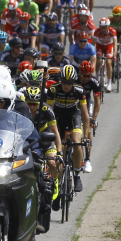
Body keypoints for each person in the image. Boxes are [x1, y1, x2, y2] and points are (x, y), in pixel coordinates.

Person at [46, 65, 89, 193]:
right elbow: (49, 112)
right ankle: (58, 185)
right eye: (64, 82)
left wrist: (86, 136)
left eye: (69, 83)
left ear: (73, 83)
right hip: (57, 118)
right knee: (57, 150)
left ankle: (76, 175)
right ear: (60, 80)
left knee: (76, 142)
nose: (66, 86)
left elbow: (85, 116)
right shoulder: (53, 90)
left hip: (73, 117)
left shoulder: (79, 91)